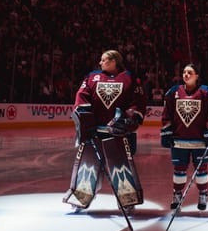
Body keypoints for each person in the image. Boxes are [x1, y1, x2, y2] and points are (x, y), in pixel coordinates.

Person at [63, 49, 147, 213]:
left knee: (122, 166)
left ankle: (127, 200)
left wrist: (130, 119)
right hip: (95, 131)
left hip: (119, 132)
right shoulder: (92, 77)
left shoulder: (129, 78)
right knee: (87, 165)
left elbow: (138, 102)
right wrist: (86, 121)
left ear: (114, 61)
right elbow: (82, 96)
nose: (100, 63)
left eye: (104, 60)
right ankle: (82, 196)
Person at [161, 63, 208, 211]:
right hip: (179, 140)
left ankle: (203, 194)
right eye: (184, 72)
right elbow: (167, 114)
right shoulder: (174, 92)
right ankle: (177, 194)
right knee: (179, 169)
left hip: (199, 140)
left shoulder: (206, 93)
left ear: (197, 76)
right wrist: (167, 132)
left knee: (201, 170)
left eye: (190, 72)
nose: (186, 75)